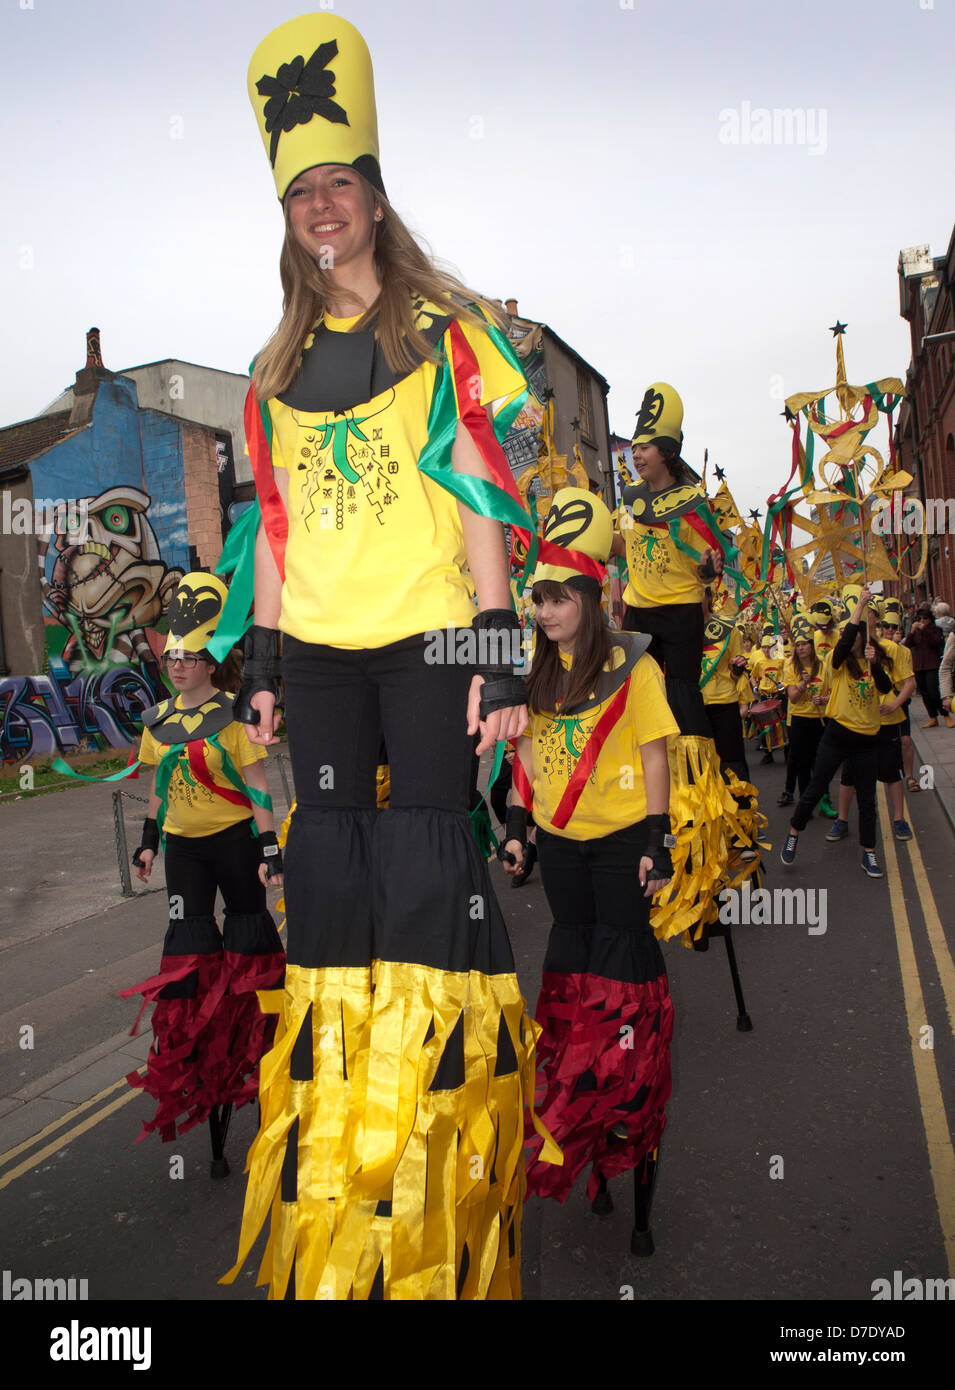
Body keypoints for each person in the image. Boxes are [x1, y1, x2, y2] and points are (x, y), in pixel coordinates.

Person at [221, 13, 560, 1302]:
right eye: (301, 191)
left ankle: (436, 1150)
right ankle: (346, 1145)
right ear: (288, 211)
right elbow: (274, 531)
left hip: (425, 642)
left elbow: (480, 492)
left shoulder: (444, 332)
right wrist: (258, 656)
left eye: (338, 184)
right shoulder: (272, 368)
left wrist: (497, 652)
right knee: (327, 866)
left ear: (373, 194)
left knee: (429, 861)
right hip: (316, 654)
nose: (322, 207)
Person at [501, 490, 678, 1204]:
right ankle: (579, 1108)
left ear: (591, 596)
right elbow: (526, 763)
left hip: (622, 843)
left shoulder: (636, 668)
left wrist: (658, 840)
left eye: (557, 599)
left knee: (622, 986)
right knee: (572, 978)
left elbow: (655, 756)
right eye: (537, 600)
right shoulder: (534, 673)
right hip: (565, 852)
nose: (543, 613)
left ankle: (626, 1117)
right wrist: (518, 828)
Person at [122, 574, 285, 1160]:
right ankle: (203, 1069)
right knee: (188, 960)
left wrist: (269, 850)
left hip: (236, 844)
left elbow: (260, 787)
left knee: (247, 950)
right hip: (186, 852)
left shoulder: (235, 716)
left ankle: (260, 1051)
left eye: (191, 656)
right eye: (173, 656)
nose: (178, 664)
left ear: (212, 662)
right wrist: (147, 844)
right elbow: (158, 793)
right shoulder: (156, 721)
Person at [611, 382, 755, 941]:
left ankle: (704, 828)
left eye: (645, 446)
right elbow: (624, 548)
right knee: (637, 721)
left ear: (666, 452)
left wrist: (708, 569)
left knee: (684, 717)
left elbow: (709, 562)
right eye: (635, 446)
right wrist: (612, 570)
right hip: (640, 618)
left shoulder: (689, 505)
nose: (637, 453)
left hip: (679, 618)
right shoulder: (630, 501)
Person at [780, 587, 894, 878]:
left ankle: (869, 853)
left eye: (857, 633)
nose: (852, 637)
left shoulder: (871, 659)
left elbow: (883, 688)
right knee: (816, 787)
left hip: (868, 739)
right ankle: (794, 831)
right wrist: (860, 607)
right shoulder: (837, 661)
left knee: (868, 800)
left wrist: (876, 663)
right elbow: (844, 642)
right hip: (838, 734)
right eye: (849, 633)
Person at [829, 596, 915, 840]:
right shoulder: (849, 650)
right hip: (857, 725)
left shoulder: (892, 649)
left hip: (886, 723)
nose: (866, 617)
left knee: (891, 772)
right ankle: (842, 820)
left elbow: (909, 683)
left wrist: (895, 704)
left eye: (870, 613)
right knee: (850, 776)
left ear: (876, 618)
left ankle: (899, 819)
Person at [778, 616, 825, 806]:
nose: (801, 648)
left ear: (812, 645)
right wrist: (804, 683)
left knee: (820, 763)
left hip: (819, 718)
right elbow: (793, 697)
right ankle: (805, 801)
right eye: (798, 644)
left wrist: (823, 699)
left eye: (805, 644)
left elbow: (832, 691)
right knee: (802, 763)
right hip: (798, 720)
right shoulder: (791, 667)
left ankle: (824, 799)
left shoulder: (822, 664)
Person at [904, 604, 946, 727]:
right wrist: (911, 632)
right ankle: (932, 717)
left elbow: (935, 642)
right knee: (924, 692)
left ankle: (945, 714)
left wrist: (924, 630)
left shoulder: (935, 630)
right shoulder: (916, 632)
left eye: (925, 619)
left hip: (931, 664)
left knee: (933, 691)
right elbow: (908, 644)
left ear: (930, 619)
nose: (922, 621)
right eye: (919, 619)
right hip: (919, 665)